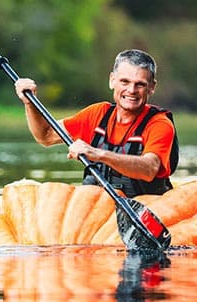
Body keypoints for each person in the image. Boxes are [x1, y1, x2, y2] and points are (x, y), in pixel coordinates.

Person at [14, 49, 177, 198]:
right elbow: (45, 135)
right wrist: (30, 103)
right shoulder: (97, 115)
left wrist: (98, 154)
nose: (132, 90)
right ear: (112, 80)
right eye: (124, 82)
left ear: (151, 87)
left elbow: (149, 169)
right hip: (98, 212)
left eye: (140, 84)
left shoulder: (159, 124)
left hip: (145, 212)